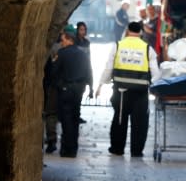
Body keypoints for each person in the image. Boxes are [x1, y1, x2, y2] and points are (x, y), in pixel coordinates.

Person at [96, 21, 161, 157]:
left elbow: (109, 67)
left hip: (120, 92)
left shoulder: (118, 46)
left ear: (127, 30)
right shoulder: (147, 48)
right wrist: (149, 84)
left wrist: (102, 83)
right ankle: (136, 151)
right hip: (140, 93)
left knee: (119, 120)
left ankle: (117, 149)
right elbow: (156, 74)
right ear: (141, 32)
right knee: (139, 123)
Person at [50, 24, 91, 158]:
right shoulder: (82, 54)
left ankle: (66, 149)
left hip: (66, 89)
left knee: (66, 119)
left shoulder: (62, 54)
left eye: (63, 40)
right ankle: (73, 148)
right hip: (79, 90)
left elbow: (53, 72)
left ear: (68, 40)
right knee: (75, 118)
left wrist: (58, 84)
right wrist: (90, 87)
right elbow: (89, 71)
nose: (61, 43)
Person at [43, 28, 64, 154]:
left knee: (50, 114)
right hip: (61, 87)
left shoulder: (50, 51)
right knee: (60, 115)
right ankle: (65, 144)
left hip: (51, 86)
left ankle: (52, 141)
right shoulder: (61, 51)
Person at [74, 21, 94, 124]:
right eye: (81, 29)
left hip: (83, 71)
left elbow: (88, 58)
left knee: (79, 97)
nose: (83, 31)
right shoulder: (74, 42)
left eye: (84, 29)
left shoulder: (86, 42)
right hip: (75, 71)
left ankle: (77, 115)